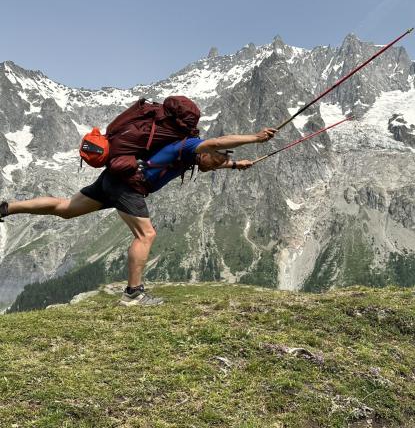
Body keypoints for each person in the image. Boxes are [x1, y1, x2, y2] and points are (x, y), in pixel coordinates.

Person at [0, 127, 277, 306]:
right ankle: (133, 294)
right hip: (128, 186)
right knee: (146, 234)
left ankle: (6, 208)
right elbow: (215, 142)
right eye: (216, 157)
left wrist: (233, 165)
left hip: (114, 179)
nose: (216, 161)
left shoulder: (189, 154)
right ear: (205, 151)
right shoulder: (191, 145)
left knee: (65, 209)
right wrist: (256, 138)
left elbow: (209, 162)